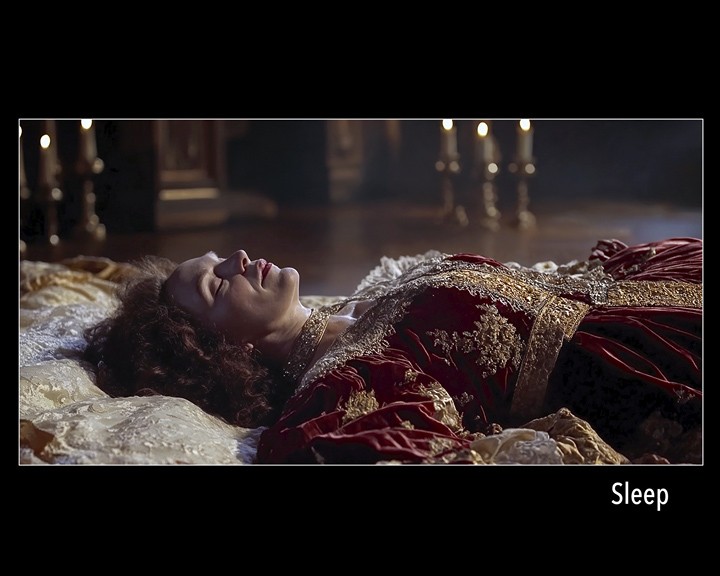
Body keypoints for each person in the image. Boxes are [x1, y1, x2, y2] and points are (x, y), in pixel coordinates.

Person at [83, 237, 702, 464]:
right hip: (647, 367)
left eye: (222, 257)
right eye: (218, 283)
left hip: (649, 294)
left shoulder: (360, 302)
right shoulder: (346, 386)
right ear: (224, 348)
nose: (239, 260)